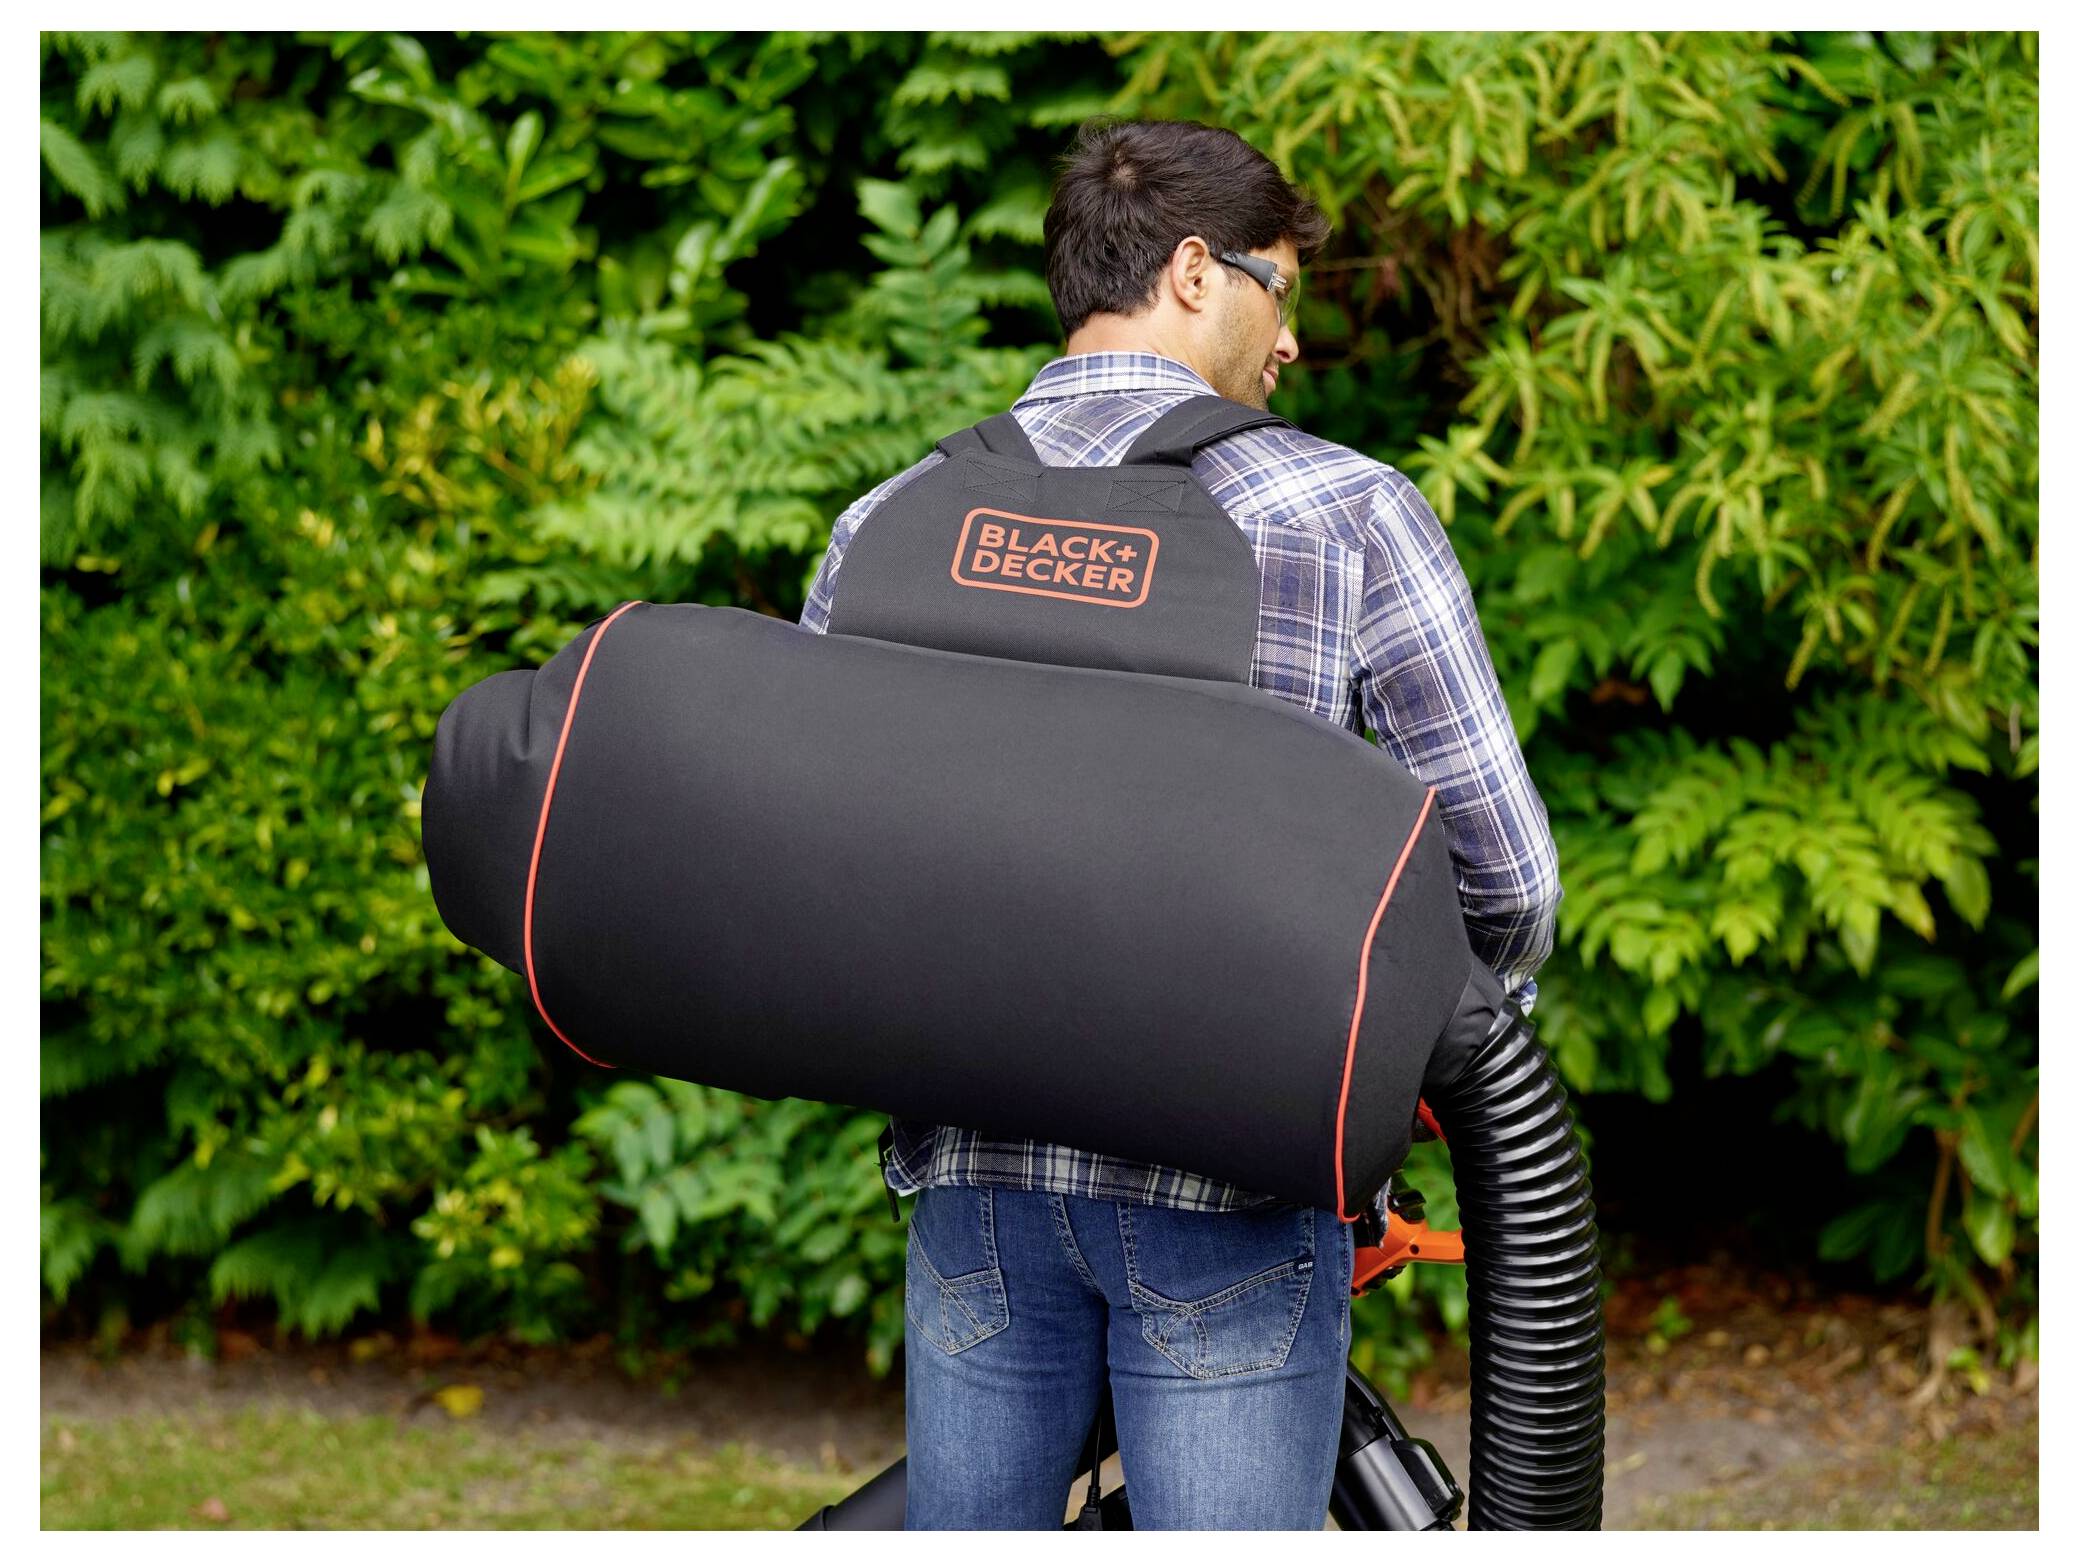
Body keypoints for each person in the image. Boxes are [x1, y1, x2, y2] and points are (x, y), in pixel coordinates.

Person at [796, 117, 1562, 1531]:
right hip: (1234, 1187)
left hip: (974, 1186)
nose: (1292, 342)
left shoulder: (890, 524)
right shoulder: (1344, 515)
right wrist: (1430, 1062)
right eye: (1282, 290)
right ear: (1198, 272)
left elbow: (821, 855)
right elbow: (1503, 880)